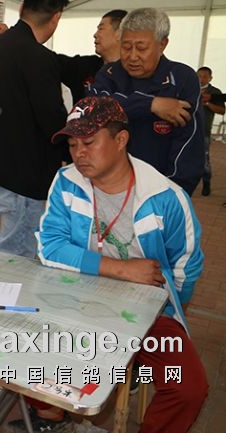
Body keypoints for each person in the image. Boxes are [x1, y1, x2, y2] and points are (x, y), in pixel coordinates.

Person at [37, 96, 208, 433]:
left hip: (149, 309)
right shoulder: (67, 181)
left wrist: (168, 315)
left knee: (188, 388)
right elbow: (50, 247)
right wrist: (122, 269)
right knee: (22, 357)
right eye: (72, 144)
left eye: (89, 142)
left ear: (121, 140)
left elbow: (185, 269)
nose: (78, 153)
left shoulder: (166, 198)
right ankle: (53, 415)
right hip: (75, 299)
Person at [0, 0, 70, 258]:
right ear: (56, 17)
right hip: (25, 176)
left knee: (11, 244)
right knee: (18, 256)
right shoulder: (38, 57)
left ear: (21, 8)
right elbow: (53, 122)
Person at [90, 8, 204, 196]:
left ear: (162, 44)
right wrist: (151, 104)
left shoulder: (182, 78)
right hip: (109, 188)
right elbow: (96, 108)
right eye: (126, 47)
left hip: (160, 189)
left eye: (141, 48)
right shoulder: (109, 74)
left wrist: (173, 193)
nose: (133, 56)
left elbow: (189, 143)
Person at [197, 66, 225, 196]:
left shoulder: (215, 92)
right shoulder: (190, 87)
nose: (201, 79)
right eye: (199, 76)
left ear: (210, 78)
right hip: (187, 130)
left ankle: (206, 183)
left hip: (204, 131)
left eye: (204, 76)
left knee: (204, 160)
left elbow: (222, 111)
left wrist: (207, 104)